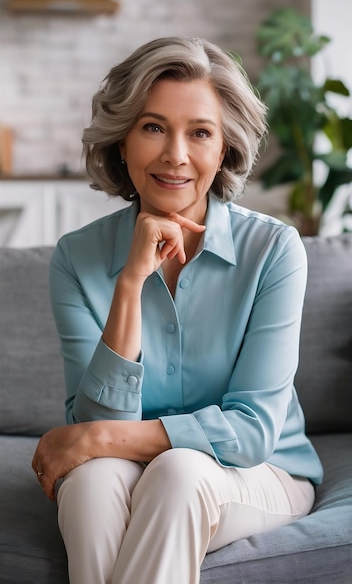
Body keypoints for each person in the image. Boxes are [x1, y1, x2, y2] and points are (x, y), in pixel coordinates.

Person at [32, 36, 323, 584]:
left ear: (224, 150)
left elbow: (253, 430)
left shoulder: (275, 251)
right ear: (122, 142)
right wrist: (130, 281)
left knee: (180, 471)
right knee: (92, 486)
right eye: (153, 127)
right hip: (129, 466)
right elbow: (99, 425)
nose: (175, 155)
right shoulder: (77, 256)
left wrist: (95, 439)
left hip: (260, 472)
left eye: (200, 133)